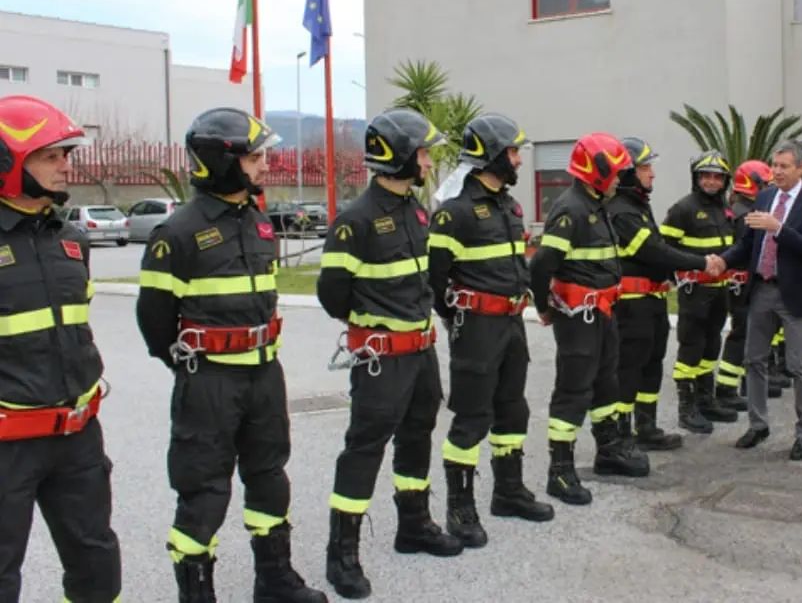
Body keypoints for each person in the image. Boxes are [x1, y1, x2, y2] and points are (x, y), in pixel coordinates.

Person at [136, 107, 326, 602]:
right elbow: (155, 323)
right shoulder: (176, 234)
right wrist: (196, 364)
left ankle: (274, 580)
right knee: (204, 490)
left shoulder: (259, 223)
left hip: (264, 376)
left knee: (270, 476)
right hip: (210, 382)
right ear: (221, 160)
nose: (266, 165)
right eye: (255, 156)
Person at [317, 108, 462, 599]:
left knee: (417, 436)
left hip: (421, 354)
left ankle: (414, 525)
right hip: (382, 359)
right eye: (422, 153)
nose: (428, 162)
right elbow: (332, 294)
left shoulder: (416, 211)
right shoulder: (355, 220)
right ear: (399, 156)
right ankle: (342, 554)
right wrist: (371, 325)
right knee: (365, 448)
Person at [0, 95, 122, 602]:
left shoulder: (72, 239)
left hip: (77, 437)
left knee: (97, 562)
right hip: (8, 443)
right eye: (50, 156)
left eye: (65, 155)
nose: (65, 166)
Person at [427, 113, 554, 550]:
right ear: (491, 154)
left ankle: (508, 491)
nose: (518, 160)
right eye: (513, 152)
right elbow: (435, 282)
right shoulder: (455, 212)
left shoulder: (510, 206)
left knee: (512, 410)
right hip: (477, 328)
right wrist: (458, 317)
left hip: (512, 325)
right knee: (471, 417)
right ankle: (460, 508)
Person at [529, 132, 637, 505]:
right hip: (579, 317)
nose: (620, 178)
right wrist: (543, 306)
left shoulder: (596, 204)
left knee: (606, 383)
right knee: (573, 390)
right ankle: (559, 471)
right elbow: (541, 265)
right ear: (598, 171)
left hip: (602, 312)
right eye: (616, 171)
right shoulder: (571, 209)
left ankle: (609, 450)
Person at [712, 139, 802, 460]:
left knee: (799, 365)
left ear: (801, 169)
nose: (776, 172)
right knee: (754, 359)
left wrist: (778, 228)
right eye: (774, 165)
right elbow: (748, 244)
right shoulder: (764, 197)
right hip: (762, 289)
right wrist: (723, 260)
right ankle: (758, 424)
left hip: (795, 292)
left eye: (784, 166)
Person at [607, 136, 709, 452]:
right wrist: (701, 262)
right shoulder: (620, 211)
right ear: (627, 172)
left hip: (652, 302)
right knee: (629, 369)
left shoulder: (638, 205)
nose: (652, 174)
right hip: (631, 306)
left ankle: (646, 427)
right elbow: (654, 251)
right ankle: (622, 435)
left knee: (652, 365)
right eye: (645, 168)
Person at [660, 150, 739, 434]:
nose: (711, 182)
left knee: (711, 345)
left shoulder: (725, 210)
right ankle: (687, 407)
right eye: (706, 176)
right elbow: (664, 250)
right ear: (696, 177)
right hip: (694, 292)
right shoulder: (682, 209)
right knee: (691, 347)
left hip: (720, 290)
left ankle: (706, 400)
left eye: (717, 177)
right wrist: (676, 278)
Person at [713, 159, 775, 409]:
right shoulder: (745, 215)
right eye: (766, 183)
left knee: (747, 334)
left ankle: (743, 384)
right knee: (740, 335)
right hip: (742, 285)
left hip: (743, 283)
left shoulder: (744, 209)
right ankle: (726, 388)